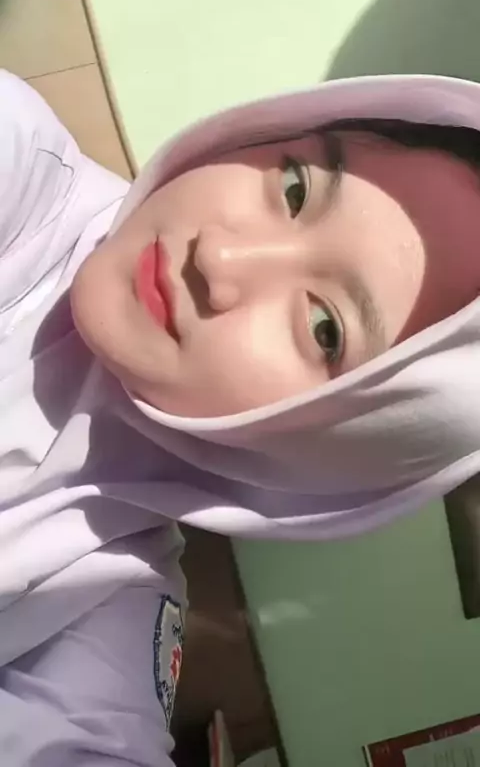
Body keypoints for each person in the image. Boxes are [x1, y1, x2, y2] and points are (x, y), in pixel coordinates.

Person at [1, 67, 480, 765]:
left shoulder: (104, 591)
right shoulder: (23, 171)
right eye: (295, 189)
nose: (220, 257)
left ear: (325, 441)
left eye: (324, 328)